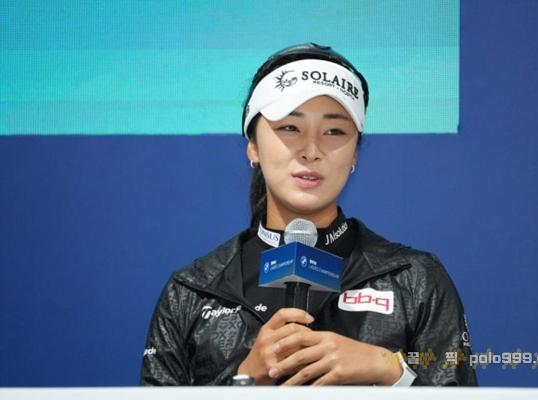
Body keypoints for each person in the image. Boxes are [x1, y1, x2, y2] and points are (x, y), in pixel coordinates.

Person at [141, 43, 477, 386]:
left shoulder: (414, 279)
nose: (311, 151)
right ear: (253, 145)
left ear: (355, 154)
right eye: (290, 127)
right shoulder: (192, 290)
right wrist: (244, 381)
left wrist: (393, 373)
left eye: (334, 131)